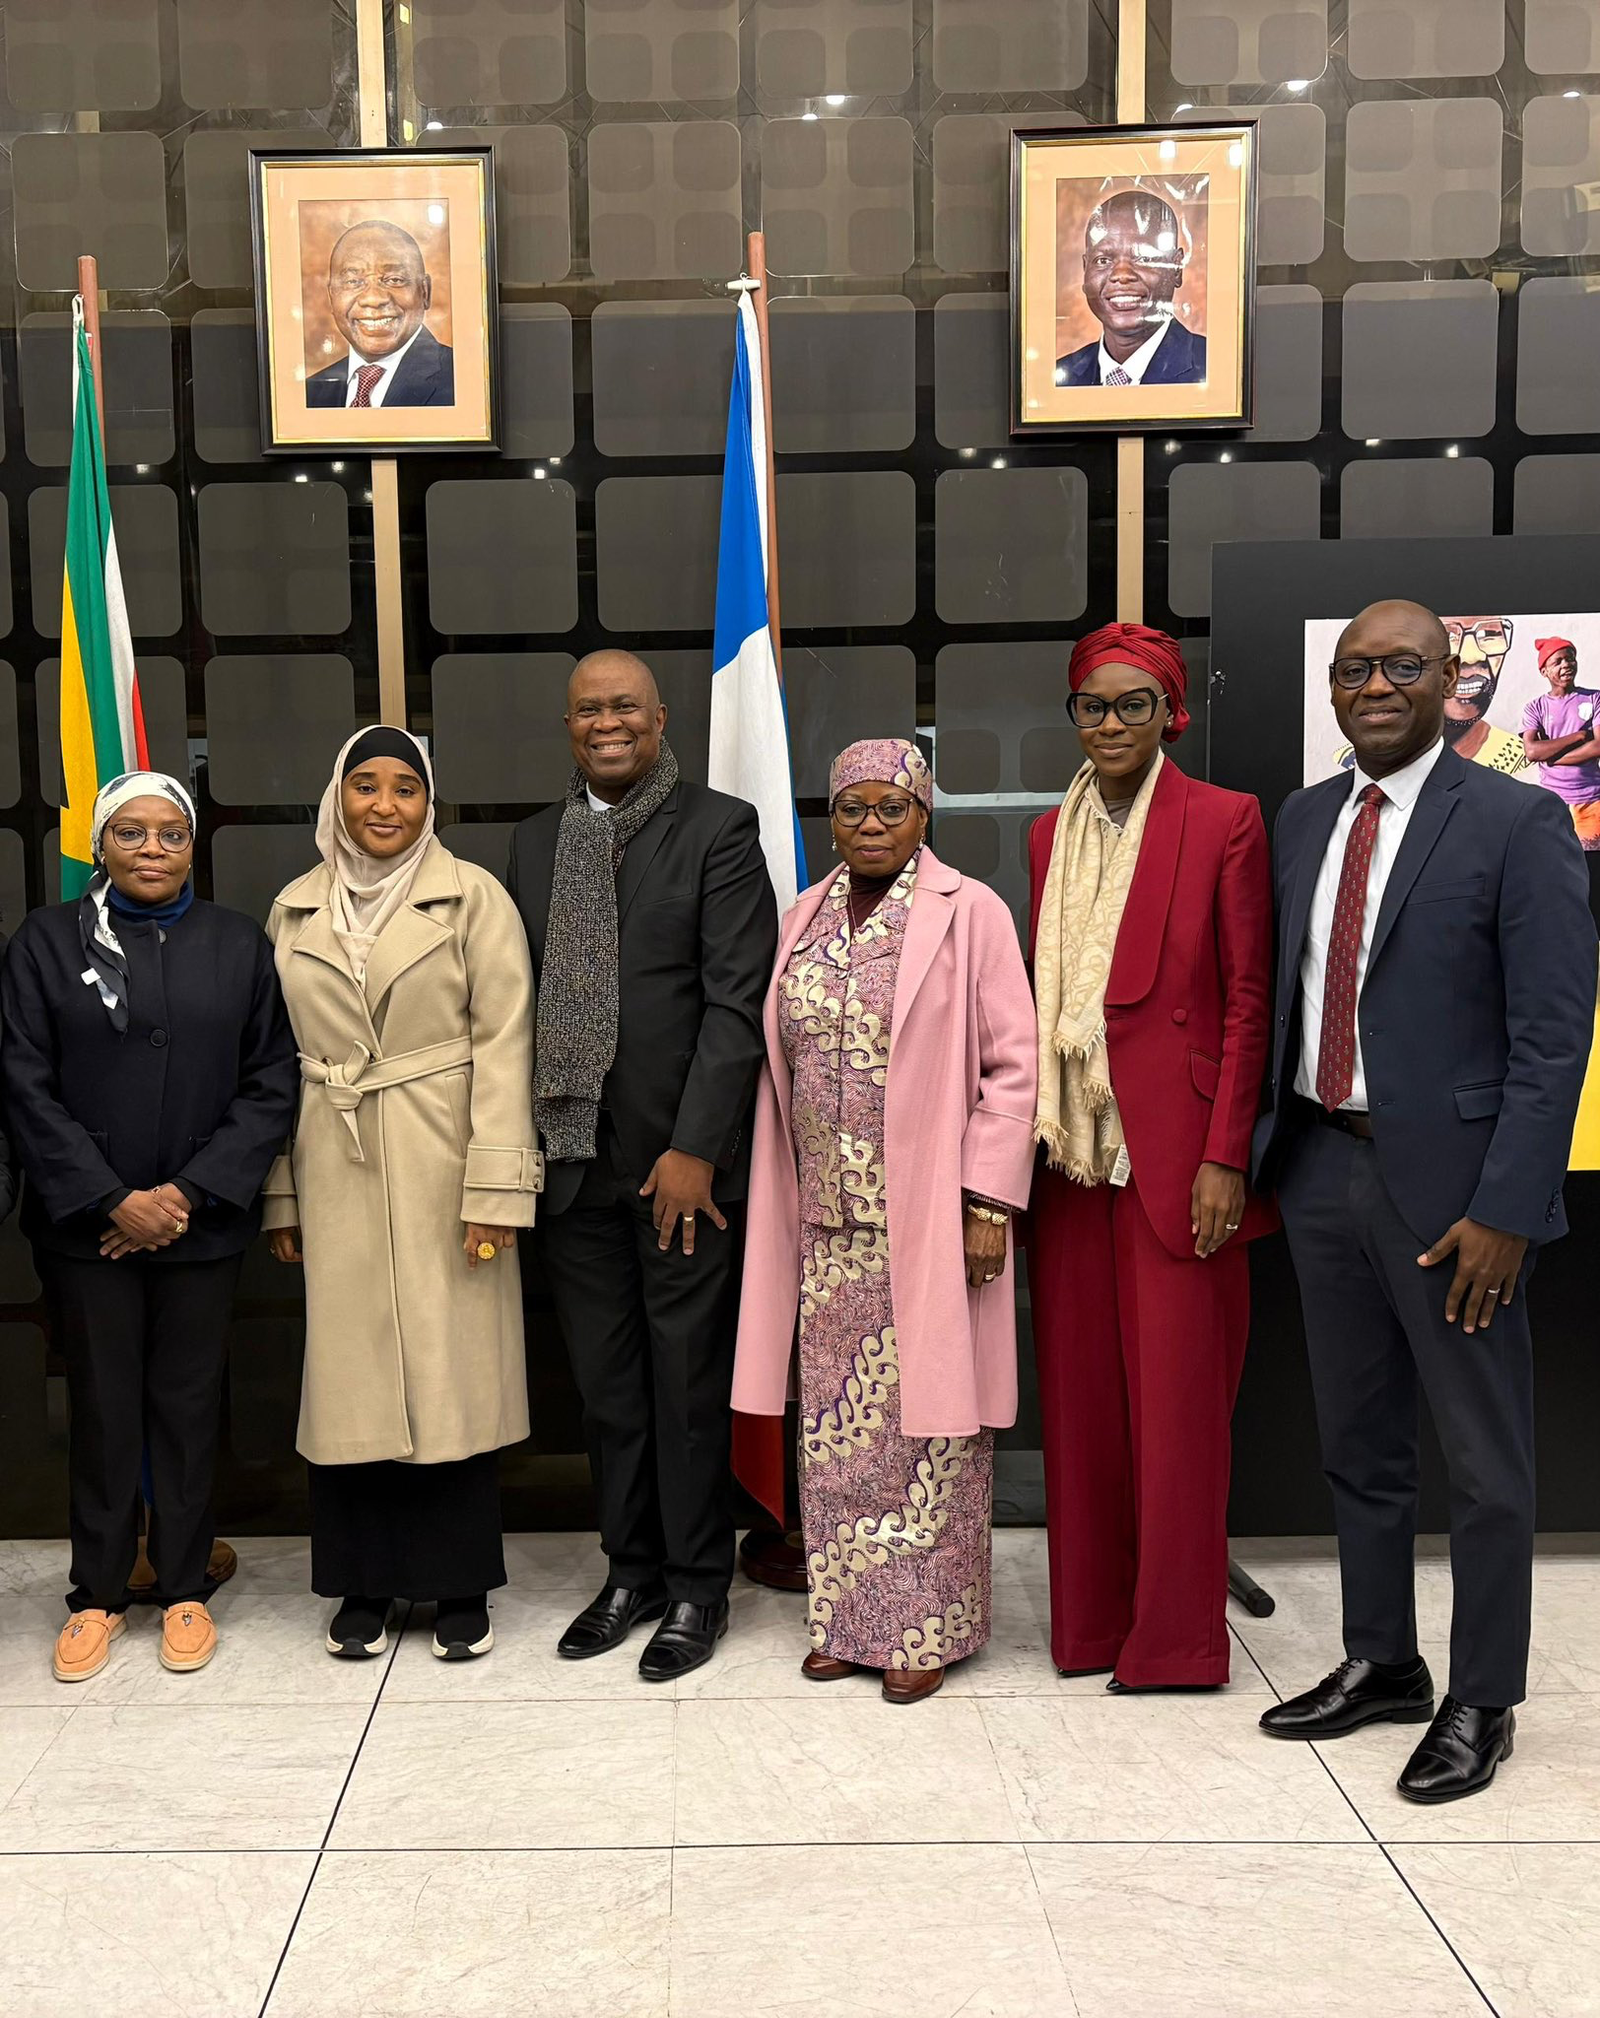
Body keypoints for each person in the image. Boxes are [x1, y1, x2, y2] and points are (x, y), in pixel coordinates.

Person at [1254, 599, 1596, 1802]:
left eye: (1403, 665)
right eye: (1356, 668)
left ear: (1450, 681)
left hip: (1458, 1201)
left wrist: (1510, 1205)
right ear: (1334, 689)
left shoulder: (1515, 820)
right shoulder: (1303, 818)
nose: (1376, 684)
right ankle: (1382, 1658)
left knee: (1484, 1460)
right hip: (1320, 1166)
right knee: (1358, 1444)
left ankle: (1481, 1696)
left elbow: (1554, 1036)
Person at [732, 740, 1036, 1702]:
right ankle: (849, 1622)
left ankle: (924, 1628)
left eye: (891, 808)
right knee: (837, 1434)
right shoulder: (803, 916)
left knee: (931, 1436)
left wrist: (989, 1200)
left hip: (932, 1221)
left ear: (924, 814)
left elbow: (1013, 1069)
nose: (871, 825)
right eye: (853, 808)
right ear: (832, 817)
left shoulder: (970, 912)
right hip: (826, 1224)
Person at [507, 650, 777, 1682]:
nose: (605, 722)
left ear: (660, 719)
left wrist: (695, 1148)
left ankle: (699, 1585)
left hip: (681, 1175)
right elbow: (510, 1003)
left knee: (684, 1383)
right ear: (568, 723)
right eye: (587, 709)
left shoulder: (716, 829)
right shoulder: (534, 843)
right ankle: (630, 1570)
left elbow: (734, 1002)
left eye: (623, 705)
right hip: (569, 1161)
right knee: (609, 1388)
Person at [0, 772, 296, 1682]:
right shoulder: (45, 943)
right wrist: (110, 1199)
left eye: (171, 834)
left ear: (192, 844)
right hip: (85, 1230)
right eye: (132, 833)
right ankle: (94, 1595)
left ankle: (181, 1589)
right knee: (100, 1406)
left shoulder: (237, 943)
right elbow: (22, 1082)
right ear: (101, 844)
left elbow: (272, 1081)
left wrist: (184, 1197)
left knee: (186, 1405)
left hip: (200, 1226)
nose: (153, 849)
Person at [1026, 626, 1272, 1691]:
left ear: (1172, 711)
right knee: (1081, 1403)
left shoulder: (1223, 819)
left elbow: (1252, 997)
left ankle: (1173, 1642)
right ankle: (1087, 1627)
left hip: (1174, 1157)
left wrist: (1227, 1156)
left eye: (1133, 704)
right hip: (1070, 1149)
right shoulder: (1046, 836)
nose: (1111, 723)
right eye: (1093, 705)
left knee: (1175, 1410)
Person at [265, 728, 540, 1662]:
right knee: (351, 1386)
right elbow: (273, 1067)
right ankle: (363, 1585)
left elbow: (508, 1043)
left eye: (406, 789)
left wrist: (496, 1188)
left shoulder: (474, 900)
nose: (385, 806)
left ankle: (459, 1583)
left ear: (431, 803)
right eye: (365, 787)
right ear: (337, 798)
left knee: (450, 1378)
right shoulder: (293, 910)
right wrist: (281, 1198)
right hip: (330, 1159)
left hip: (443, 1160)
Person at [1055, 189, 1206, 389]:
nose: (1122, 275)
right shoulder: (1059, 379)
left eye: (1144, 257)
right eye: (1103, 260)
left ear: (1176, 268)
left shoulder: (1212, 367)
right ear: (1086, 269)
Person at [304, 221, 455, 410]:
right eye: (353, 281)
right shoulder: (309, 394)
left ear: (424, 292)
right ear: (331, 296)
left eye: (394, 280)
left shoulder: (463, 381)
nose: (373, 299)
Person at [1521, 635, 1600, 852]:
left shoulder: (1594, 699)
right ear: (1544, 671)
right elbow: (1531, 751)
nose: (1566, 664)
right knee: (1554, 860)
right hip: (1553, 802)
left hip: (1591, 801)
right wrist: (1578, 737)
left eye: (1570, 659)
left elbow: (1598, 746)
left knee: (1592, 862)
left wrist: (1553, 757)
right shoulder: (1535, 708)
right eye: (1557, 661)